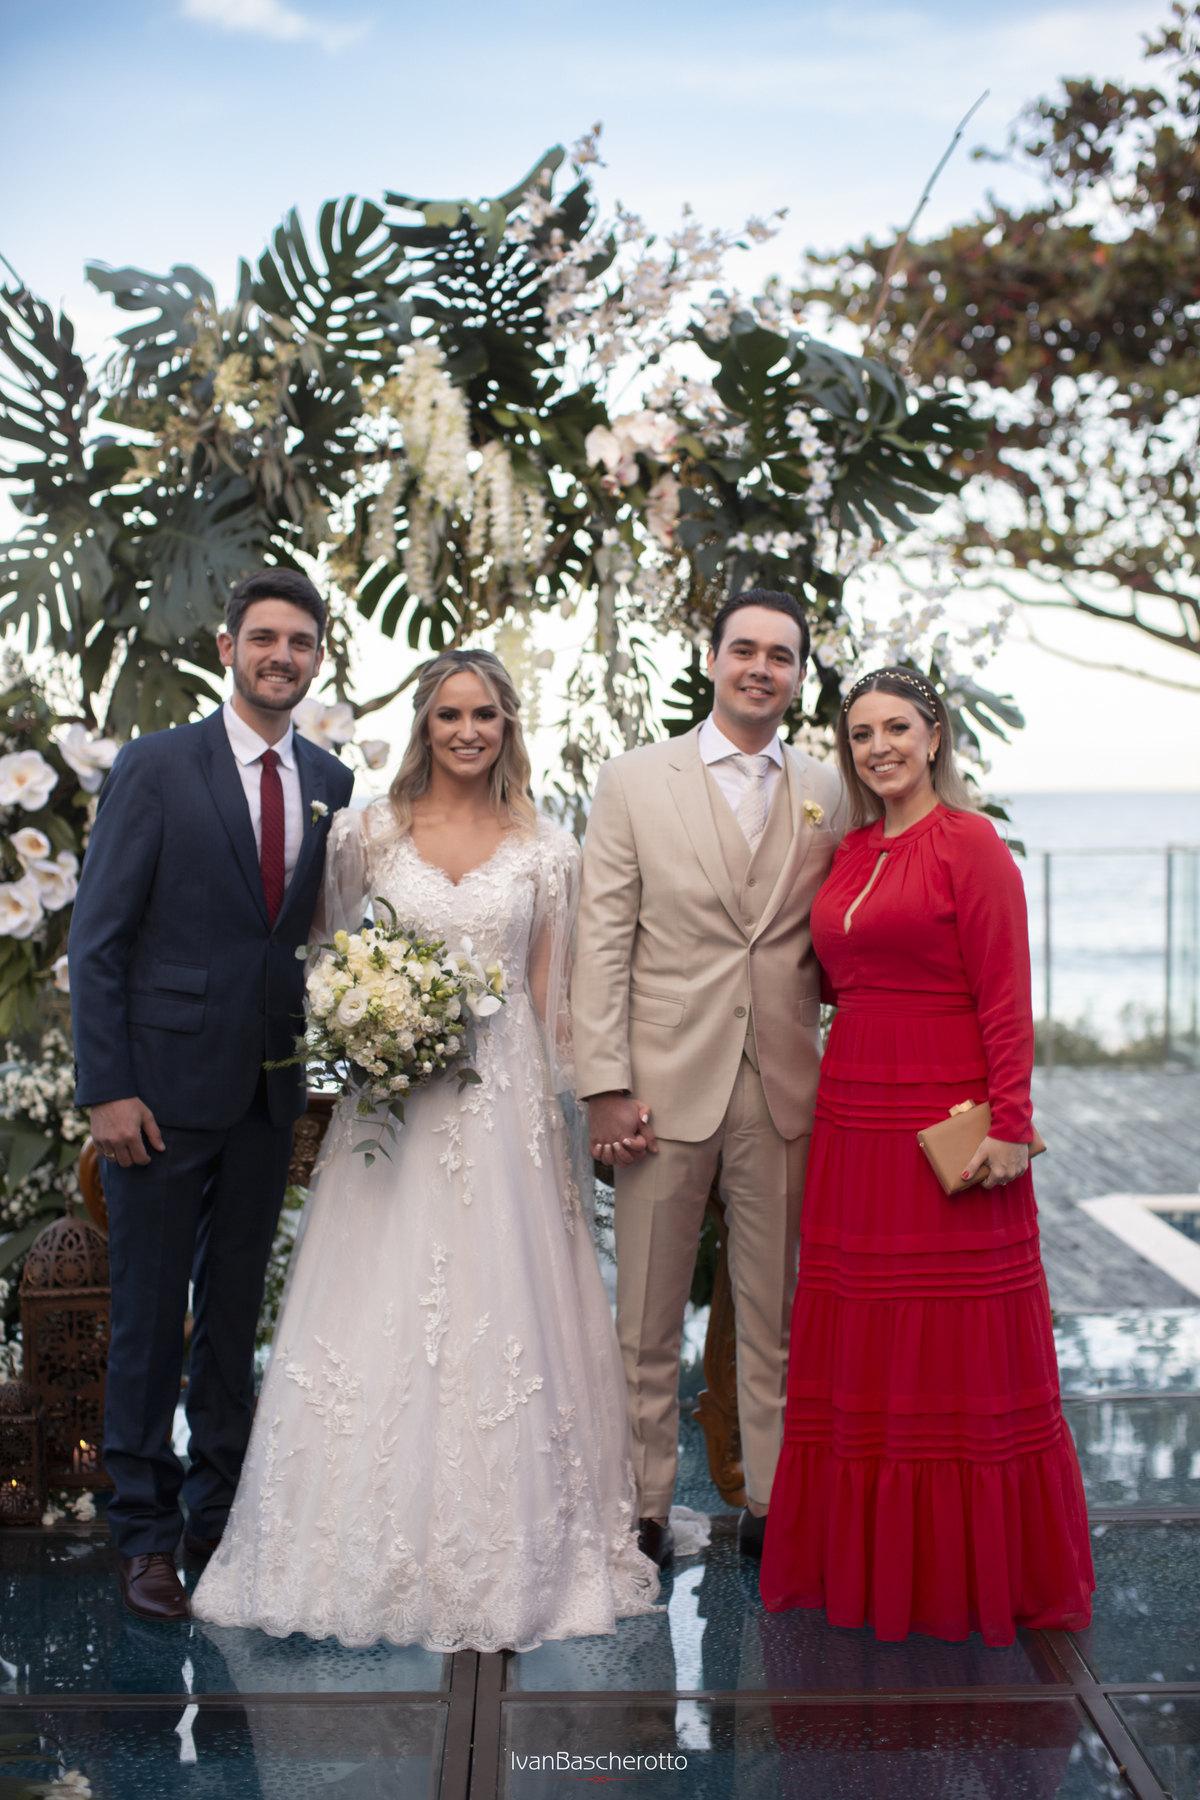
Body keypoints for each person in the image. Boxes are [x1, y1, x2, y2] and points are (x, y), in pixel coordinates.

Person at [192, 650, 659, 1651]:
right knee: (379, 1299)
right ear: (425, 725)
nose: (467, 731)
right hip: (392, 1110)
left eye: (484, 714)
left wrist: (593, 1106)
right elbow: (324, 958)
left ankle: (521, 1548)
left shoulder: (548, 852)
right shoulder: (366, 836)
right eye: (449, 714)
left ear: (507, 726)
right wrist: (370, 1022)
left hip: (505, 1109)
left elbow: (555, 1000)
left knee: (506, 1306)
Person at [760, 667, 1094, 1645]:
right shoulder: (850, 851)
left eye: (897, 728)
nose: (880, 748)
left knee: (958, 1345)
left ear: (935, 735)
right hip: (855, 1111)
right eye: (862, 734)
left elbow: (1006, 995)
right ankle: (866, 1566)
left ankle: (964, 1572)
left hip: (946, 1115)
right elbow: (833, 977)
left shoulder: (972, 843)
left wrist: (1010, 1125)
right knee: (862, 1335)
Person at [68, 570, 355, 1623]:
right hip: (155, 1094)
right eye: (265, 637)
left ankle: (217, 1515)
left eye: (302, 641)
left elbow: (312, 938)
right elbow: (97, 940)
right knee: (150, 1318)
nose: (283, 656)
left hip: (267, 1094)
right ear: (229, 647)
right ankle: (142, 1533)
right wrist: (108, 1089)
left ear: (318, 658)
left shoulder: (330, 779)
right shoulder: (156, 766)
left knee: (233, 1319)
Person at [571, 590, 847, 1569]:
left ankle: (773, 1503)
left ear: (799, 675)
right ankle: (643, 1505)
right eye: (745, 650)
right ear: (714, 659)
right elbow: (601, 940)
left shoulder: (827, 787)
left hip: (782, 1085)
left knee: (776, 1316)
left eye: (781, 655)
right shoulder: (634, 780)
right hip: (659, 1089)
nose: (761, 668)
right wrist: (603, 1086)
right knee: (645, 1319)